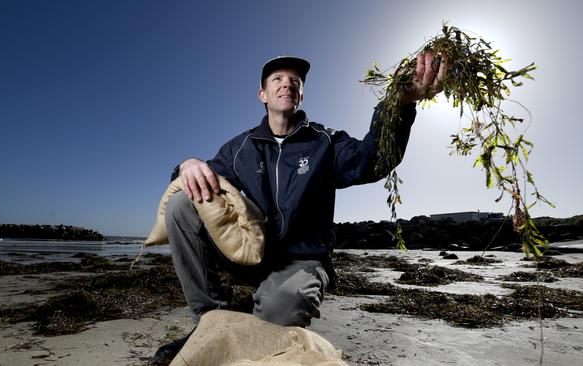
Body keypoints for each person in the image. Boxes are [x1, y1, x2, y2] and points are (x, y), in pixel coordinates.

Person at [150, 53, 448, 365]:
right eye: (277, 79)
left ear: (301, 94)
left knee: (276, 316)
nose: (287, 83)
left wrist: (399, 104)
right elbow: (203, 177)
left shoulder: (325, 141)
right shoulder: (242, 148)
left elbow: (373, 160)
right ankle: (208, 321)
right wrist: (187, 164)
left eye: (295, 80)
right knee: (184, 201)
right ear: (263, 95)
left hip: (302, 261)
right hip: (255, 253)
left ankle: (239, 322)